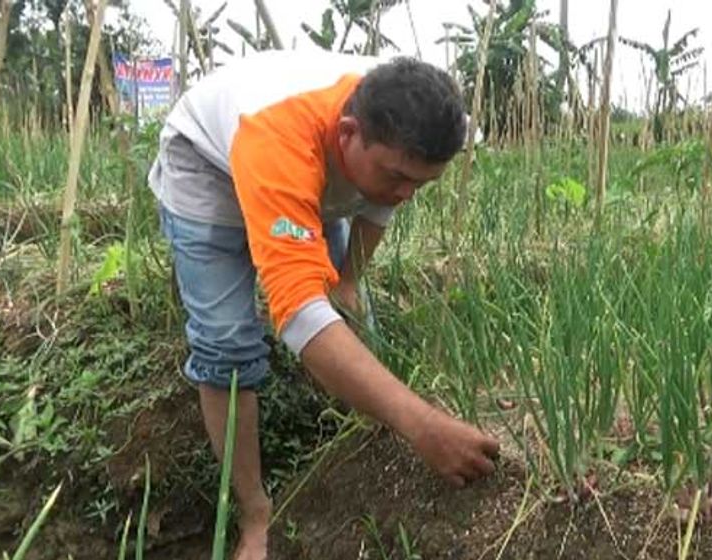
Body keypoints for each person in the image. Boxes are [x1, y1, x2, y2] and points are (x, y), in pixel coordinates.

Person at [147, 50, 500, 560]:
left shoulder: (408, 124)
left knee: (346, 305)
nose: (405, 196)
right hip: (210, 168)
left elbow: (382, 198)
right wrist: (422, 425)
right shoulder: (279, 139)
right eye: (398, 177)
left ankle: (356, 436)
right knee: (226, 342)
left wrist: (349, 279)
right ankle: (254, 514)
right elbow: (298, 313)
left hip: (316, 172)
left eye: (420, 185)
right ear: (348, 132)